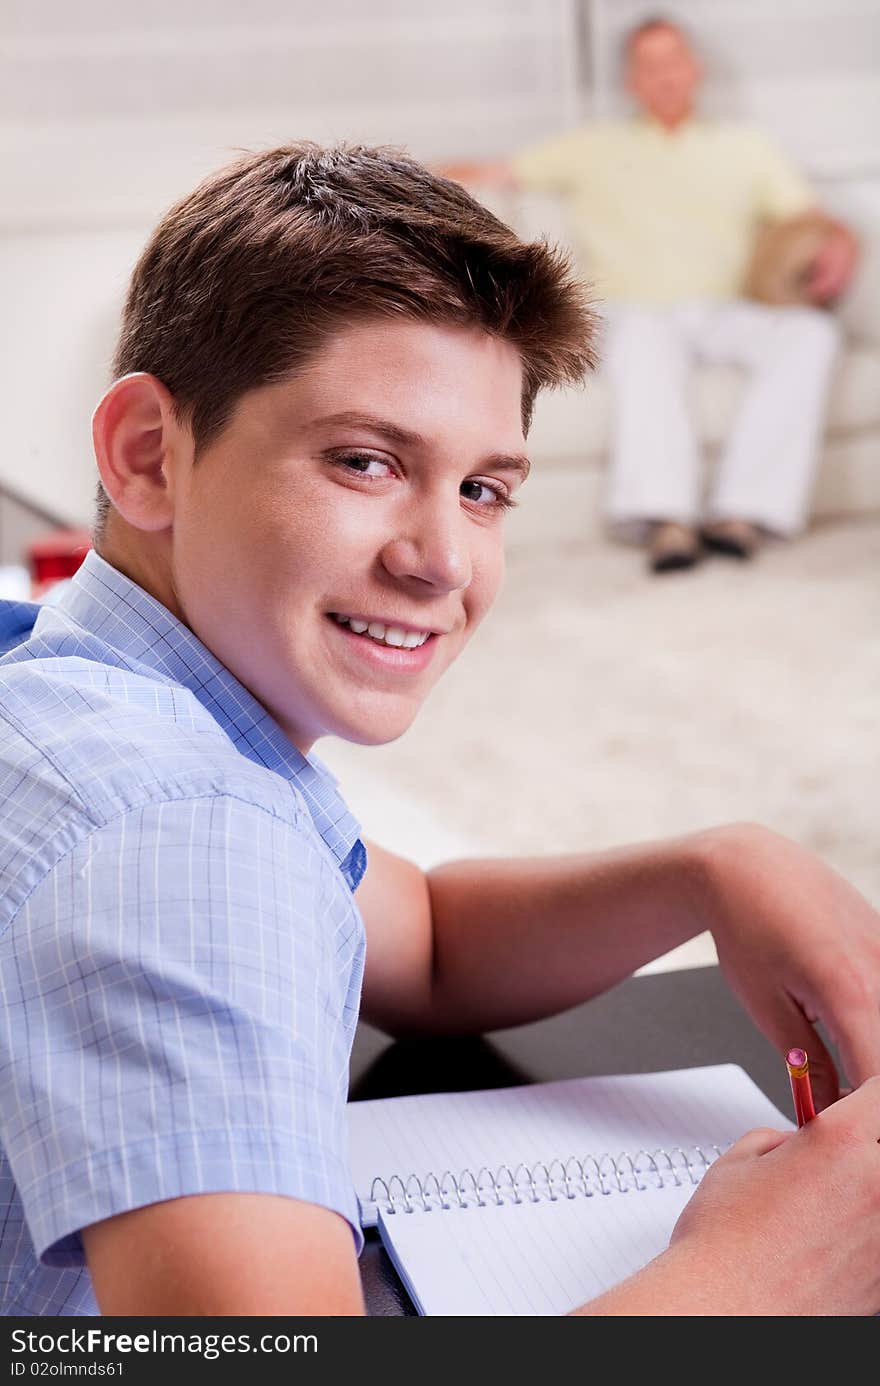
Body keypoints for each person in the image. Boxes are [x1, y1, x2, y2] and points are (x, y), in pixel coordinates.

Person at [0, 141, 878, 1319]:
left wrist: (715, 867)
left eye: (483, 490)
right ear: (150, 456)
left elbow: (413, 940)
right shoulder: (177, 838)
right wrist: (769, 1270)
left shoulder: (77, 684)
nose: (442, 562)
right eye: (364, 462)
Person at [442, 16, 860, 573]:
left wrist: (844, 246)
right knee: (643, 341)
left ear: (694, 69)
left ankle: (746, 512)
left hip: (724, 310)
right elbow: (489, 171)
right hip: (632, 311)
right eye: (649, 65)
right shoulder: (591, 146)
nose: (663, 75)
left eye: (673, 61)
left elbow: (815, 220)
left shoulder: (745, 147)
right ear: (631, 80)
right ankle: (667, 520)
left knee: (810, 333)